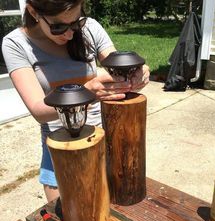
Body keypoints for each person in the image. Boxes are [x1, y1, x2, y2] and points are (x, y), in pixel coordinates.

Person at [2, 0, 150, 202]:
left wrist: (135, 73)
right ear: (33, 12)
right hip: (62, 149)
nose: (70, 34)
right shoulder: (16, 44)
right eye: (59, 27)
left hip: (104, 141)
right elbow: (38, 110)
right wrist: (87, 92)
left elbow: (117, 64)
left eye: (75, 23)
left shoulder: (90, 28)